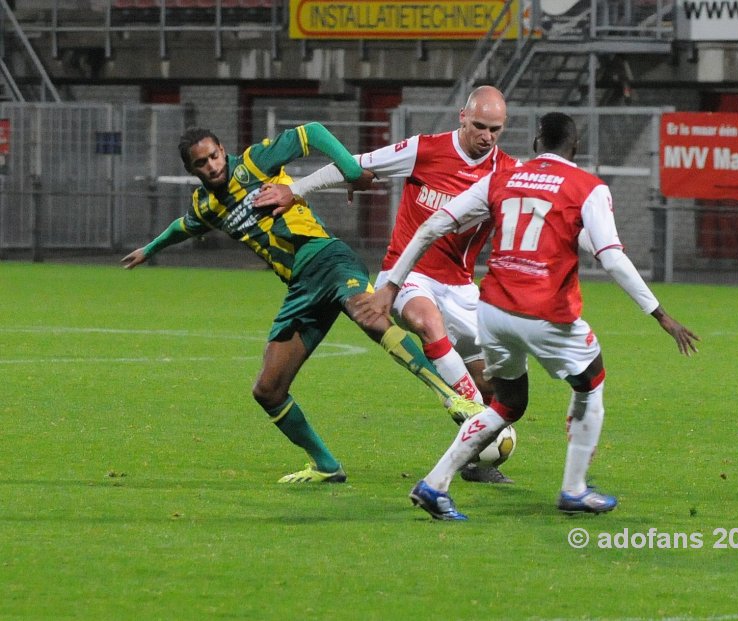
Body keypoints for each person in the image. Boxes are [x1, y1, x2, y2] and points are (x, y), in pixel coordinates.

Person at [355, 112, 700, 519]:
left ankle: (434, 484)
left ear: (536, 143)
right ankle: (573, 489)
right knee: (591, 382)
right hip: (546, 312)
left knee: (507, 405)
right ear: (574, 147)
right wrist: (659, 313)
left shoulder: (502, 177)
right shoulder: (588, 187)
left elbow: (432, 225)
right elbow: (611, 257)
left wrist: (391, 284)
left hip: (494, 311)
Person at [121, 123, 481, 484]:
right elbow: (183, 227)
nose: (212, 166)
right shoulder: (206, 206)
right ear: (191, 170)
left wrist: (351, 170)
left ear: (222, 148)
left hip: (326, 256)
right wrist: (149, 250)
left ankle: (454, 398)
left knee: (368, 314)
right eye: (201, 164)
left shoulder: (254, 162)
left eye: (214, 156)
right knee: (268, 390)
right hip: (301, 289)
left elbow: (312, 133)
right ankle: (326, 465)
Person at [255, 86, 520, 484]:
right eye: (480, 125)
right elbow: (356, 164)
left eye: (495, 129)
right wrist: (295, 190)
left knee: (491, 381)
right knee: (429, 324)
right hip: (406, 275)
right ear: (462, 117)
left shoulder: (508, 173)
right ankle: (468, 409)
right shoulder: (425, 150)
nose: (487, 136)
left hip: (461, 287)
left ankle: (473, 457)